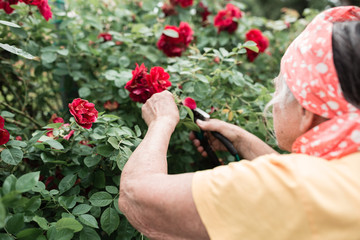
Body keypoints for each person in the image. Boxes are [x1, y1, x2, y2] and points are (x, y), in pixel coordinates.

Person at [118, 6, 360, 240]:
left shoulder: (291, 189)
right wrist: (243, 140)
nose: (273, 103)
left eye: (277, 89)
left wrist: (161, 121)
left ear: (307, 109)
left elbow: (137, 196)